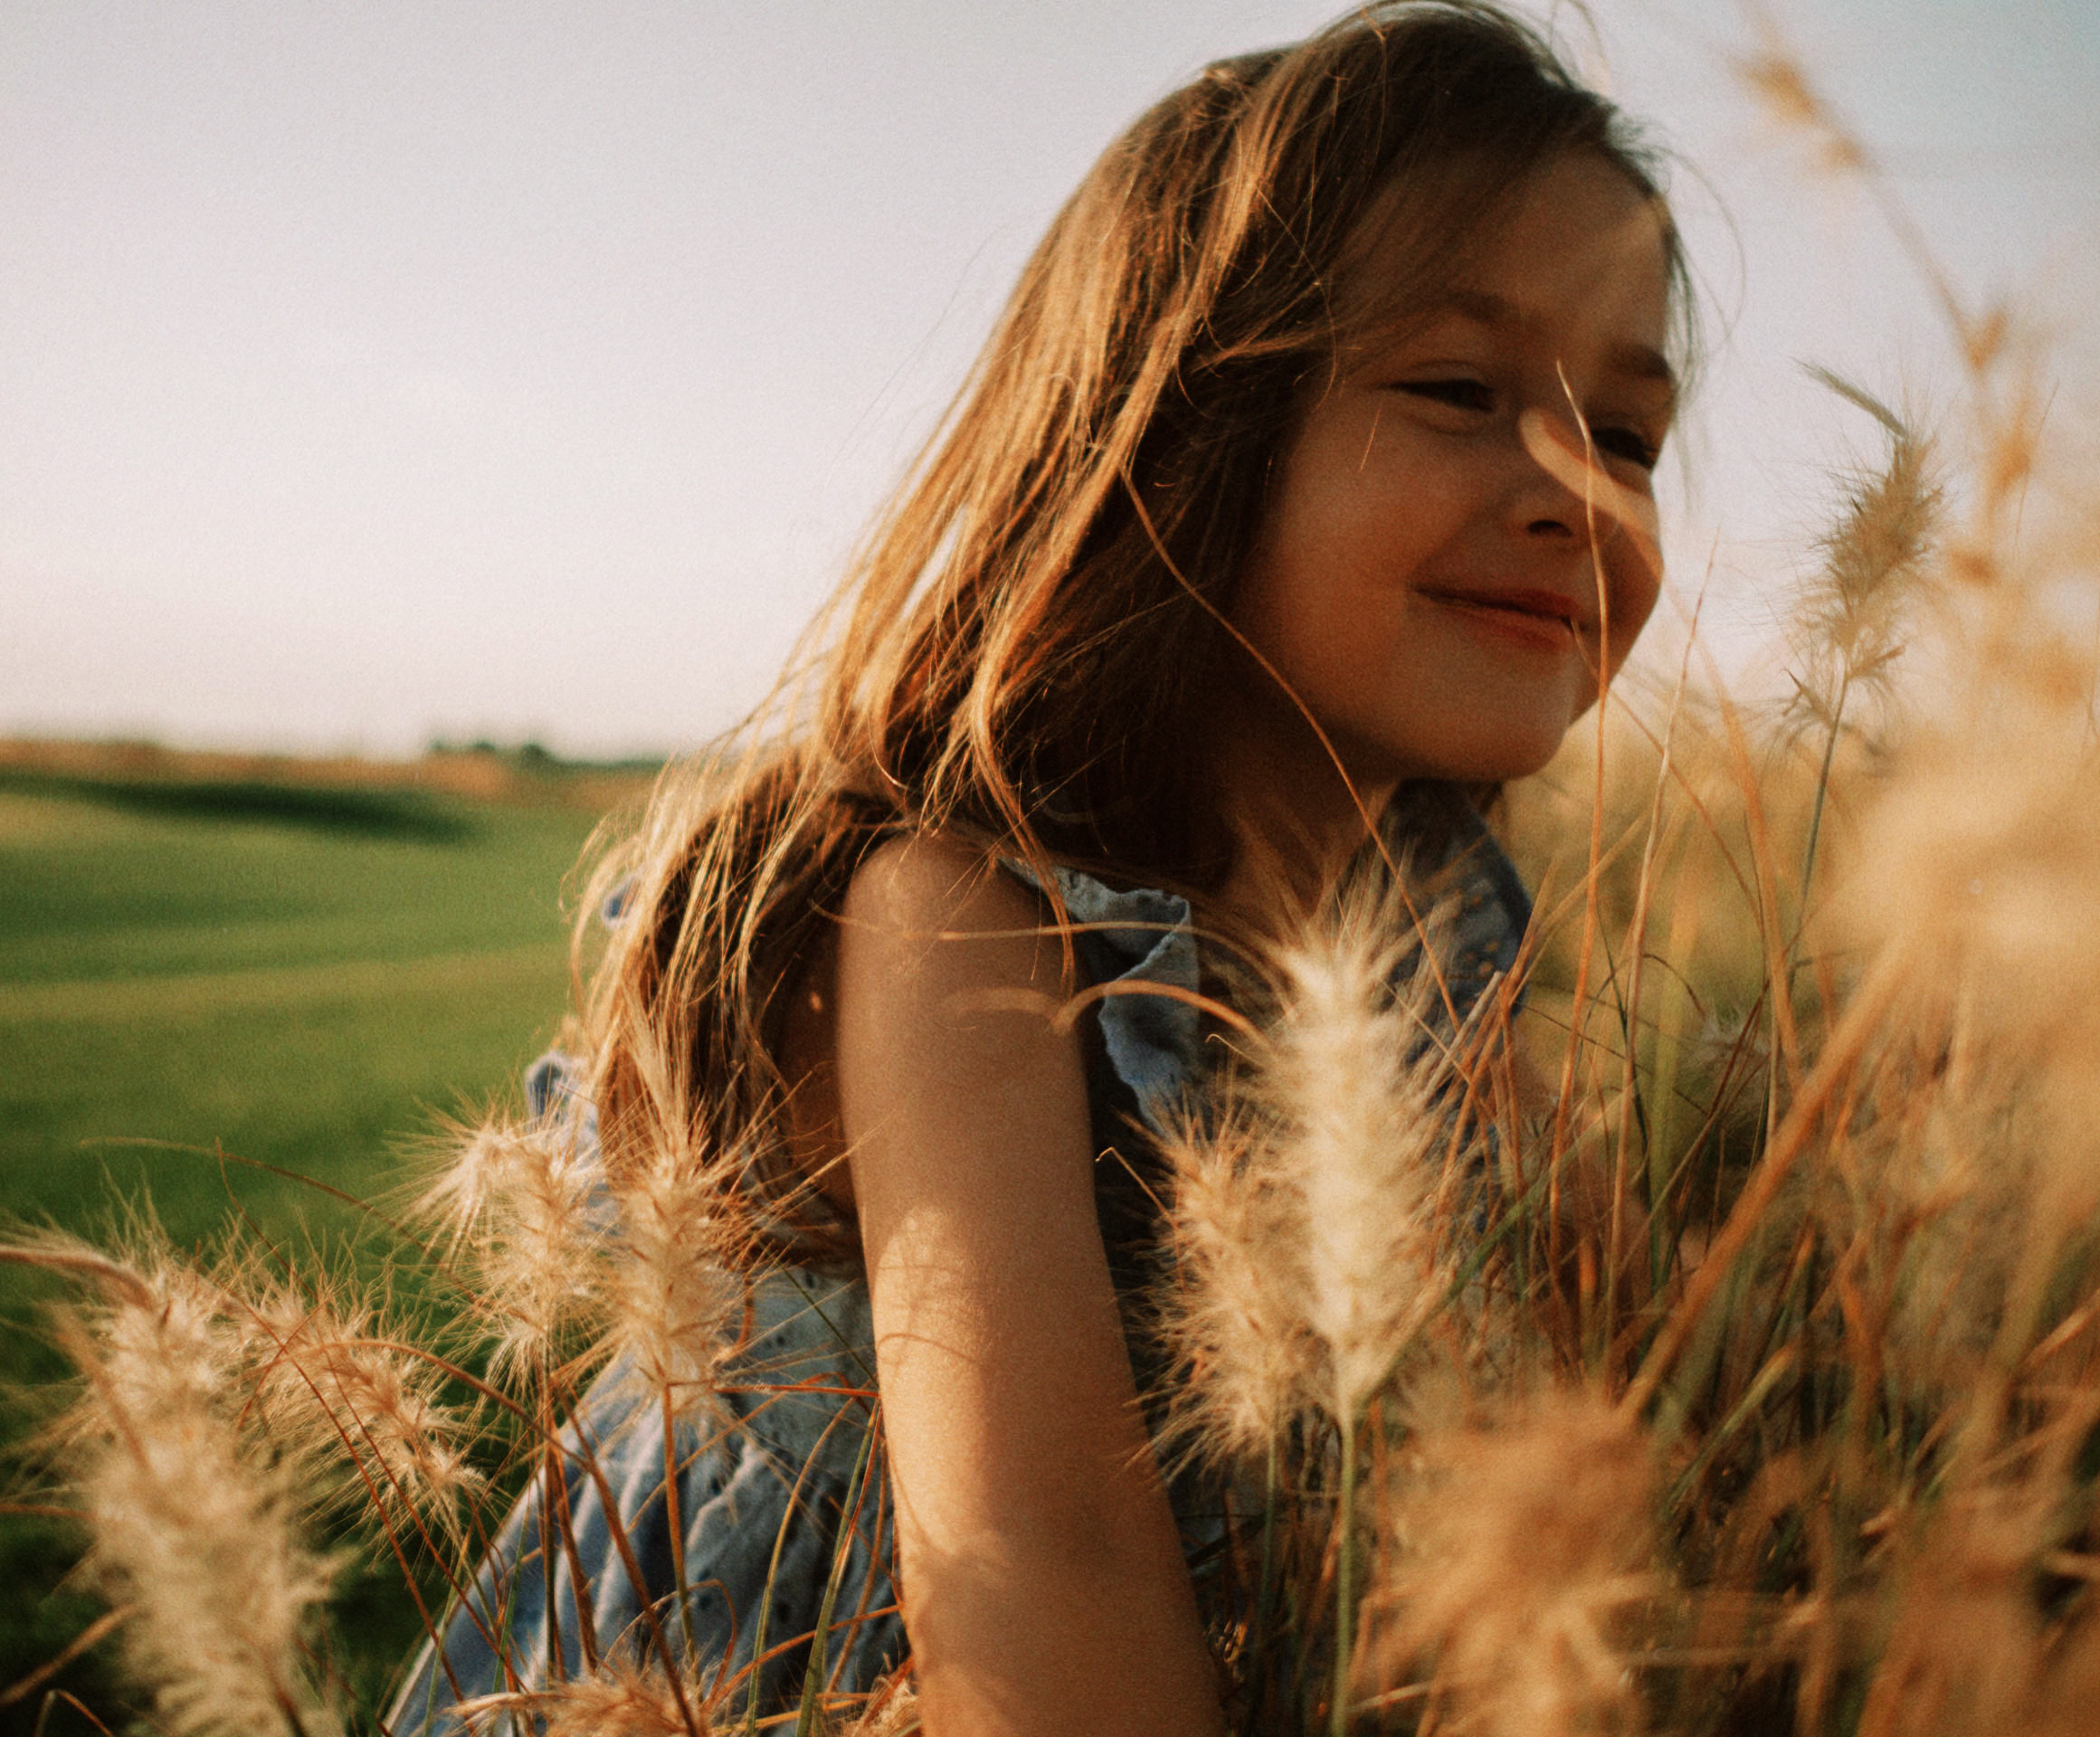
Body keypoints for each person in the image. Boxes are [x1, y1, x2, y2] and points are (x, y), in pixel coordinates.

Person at [389, 5, 1687, 1732]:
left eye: (1627, 436)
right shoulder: (958, 919)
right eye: (1461, 390)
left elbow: (1618, 1387)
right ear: (1177, 427)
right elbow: (1038, 1564)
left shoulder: (1454, 951)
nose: (1573, 494)